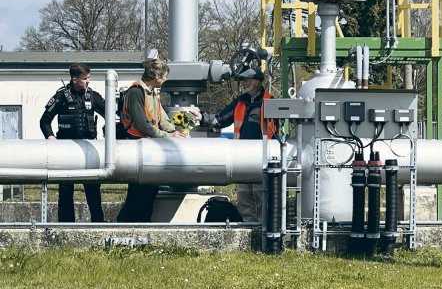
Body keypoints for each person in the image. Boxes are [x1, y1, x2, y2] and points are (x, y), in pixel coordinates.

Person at [200, 67, 275, 222]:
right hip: (242, 157)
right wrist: (201, 117)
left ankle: (263, 232)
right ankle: (247, 229)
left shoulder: (270, 101)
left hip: (263, 158)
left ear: (256, 83)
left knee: (263, 198)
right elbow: (220, 119)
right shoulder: (240, 102)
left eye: (246, 80)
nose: (243, 84)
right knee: (245, 198)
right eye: (242, 81)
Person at [116, 58, 187, 222]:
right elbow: (143, 125)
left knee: (150, 191)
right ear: (155, 75)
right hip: (138, 146)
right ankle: (129, 223)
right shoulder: (136, 92)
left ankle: (141, 223)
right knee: (139, 192)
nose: (166, 79)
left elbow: (161, 118)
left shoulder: (152, 93)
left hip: (150, 146)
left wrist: (175, 132)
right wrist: (169, 136)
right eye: (164, 76)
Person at [40, 63, 105, 223]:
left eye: (89, 78)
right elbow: (44, 121)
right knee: (66, 189)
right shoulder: (61, 97)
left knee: (93, 189)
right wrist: (50, 137)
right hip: (66, 150)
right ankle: (66, 225)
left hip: (89, 148)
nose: (88, 81)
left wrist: (108, 136)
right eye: (85, 78)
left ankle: (98, 223)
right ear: (75, 79)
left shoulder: (93, 96)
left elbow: (111, 114)